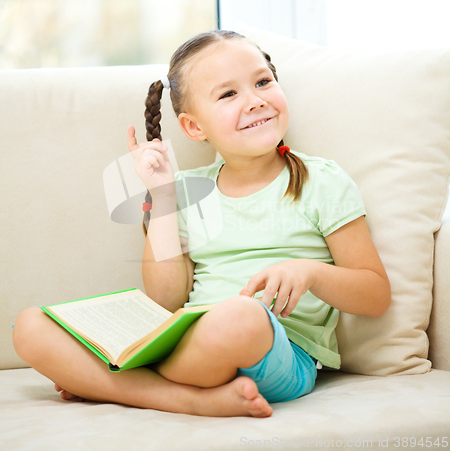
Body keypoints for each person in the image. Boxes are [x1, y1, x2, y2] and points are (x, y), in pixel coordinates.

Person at [12, 30, 391, 418]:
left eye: (263, 82)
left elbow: (375, 295)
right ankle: (187, 398)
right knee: (30, 326)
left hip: (278, 352)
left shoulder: (321, 180)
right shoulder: (185, 191)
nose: (255, 100)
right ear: (194, 128)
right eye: (229, 94)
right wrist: (161, 196)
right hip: (184, 341)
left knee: (241, 314)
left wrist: (310, 273)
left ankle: (113, 381)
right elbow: (166, 300)